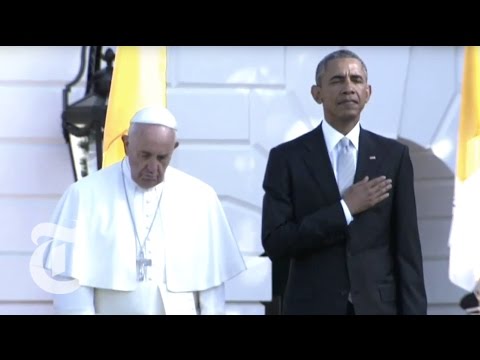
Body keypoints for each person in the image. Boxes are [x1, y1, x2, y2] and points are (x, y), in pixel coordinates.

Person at [261, 49, 427, 315]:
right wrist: (344, 209)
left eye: (356, 80)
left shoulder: (393, 157)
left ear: (368, 93)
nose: (349, 87)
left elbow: (407, 251)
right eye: (337, 80)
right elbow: (276, 241)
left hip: (377, 307)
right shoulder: (286, 158)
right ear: (317, 94)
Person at [43, 106, 246, 315]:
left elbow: (211, 287)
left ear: (174, 149)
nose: (152, 167)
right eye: (145, 155)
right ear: (127, 144)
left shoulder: (200, 197)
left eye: (162, 158)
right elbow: (71, 287)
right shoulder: (84, 195)